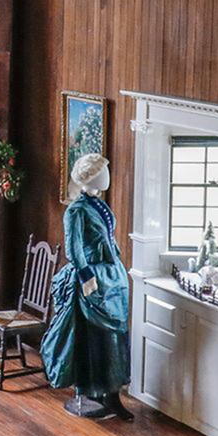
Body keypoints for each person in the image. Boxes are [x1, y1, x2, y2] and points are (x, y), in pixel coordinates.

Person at [42, 152, 132, 419]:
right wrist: (86, 278)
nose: (107, 176)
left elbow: (108, 235)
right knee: (92, 339)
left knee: (113, 338)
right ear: (90, 177)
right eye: (102, 172)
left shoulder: (99, 204)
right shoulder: (77, 210)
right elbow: (73, 247)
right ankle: (93, 390)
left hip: (111, 277)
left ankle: (111, 393)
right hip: (92, 280)